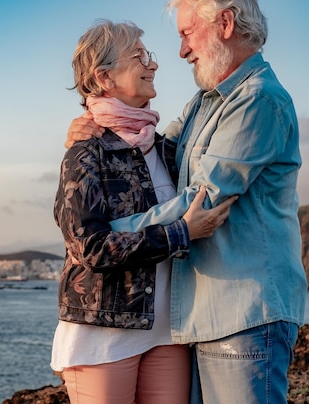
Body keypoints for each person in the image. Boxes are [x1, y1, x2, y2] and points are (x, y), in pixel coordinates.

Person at [65, 1, 308, 403]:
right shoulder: (205, 102)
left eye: (186, 33)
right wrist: (93, 127)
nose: (180, 51)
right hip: (208, 315)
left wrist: (107, 237)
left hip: (246, 311)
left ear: (226, 23)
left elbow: (204, 199)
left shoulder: (258, 100)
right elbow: (159, 147)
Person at [51, 20, 237, 404]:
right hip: (103, 333)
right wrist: (180, 234)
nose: (153, 65)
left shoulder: (169, 151)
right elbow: (90, 246)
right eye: (139, 56)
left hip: (169, 331)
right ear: (104, 77)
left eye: (148, 55)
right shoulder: (86, 153)